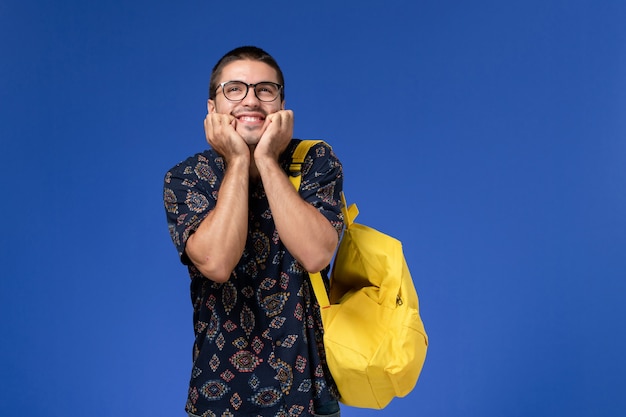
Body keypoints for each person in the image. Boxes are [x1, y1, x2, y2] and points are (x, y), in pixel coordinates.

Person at [163, 46, 344, 417]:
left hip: (309, 394)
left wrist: (264, 159)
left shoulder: (313, 160)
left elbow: (316, 254)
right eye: (234, 89)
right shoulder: (186, 177)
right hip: (219, 393)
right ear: (212, 108)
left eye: (265, 89)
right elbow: (216, 262)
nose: (251, 99)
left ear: (281, 104)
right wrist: (236, 161)